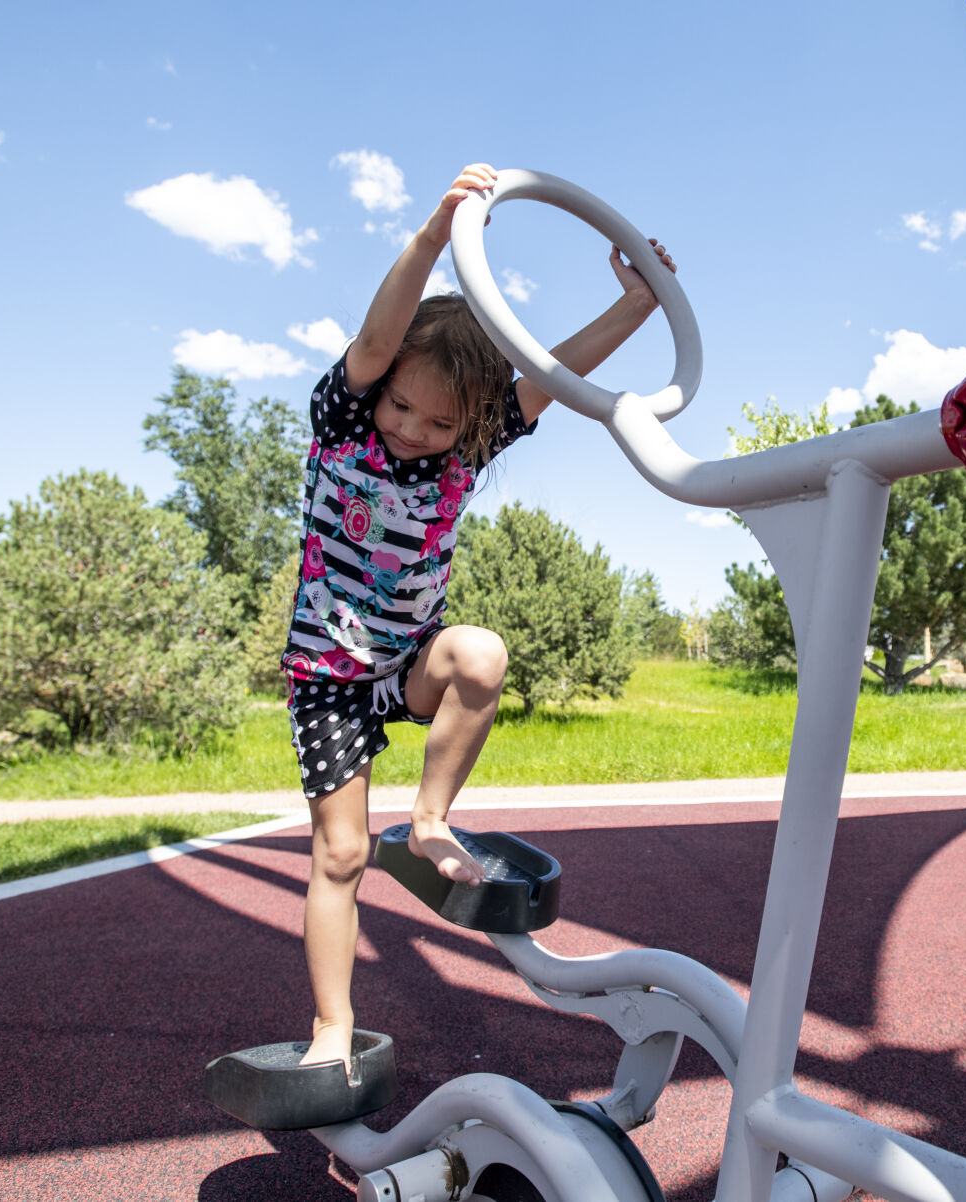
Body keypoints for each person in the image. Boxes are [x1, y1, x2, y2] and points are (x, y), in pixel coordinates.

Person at [281, 163, 675, 1069]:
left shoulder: (474, 442)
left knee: (484, 654)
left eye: (440, 421)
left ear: (475, 425)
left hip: (413, 659)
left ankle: (429, 820)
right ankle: (333, 1028)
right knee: (339, 856)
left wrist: (639, 306)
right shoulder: (345, 422)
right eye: (403, 406)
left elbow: (558, 370)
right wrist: (433, 238)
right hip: (329, 680)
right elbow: (382, 339)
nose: (414, 428)